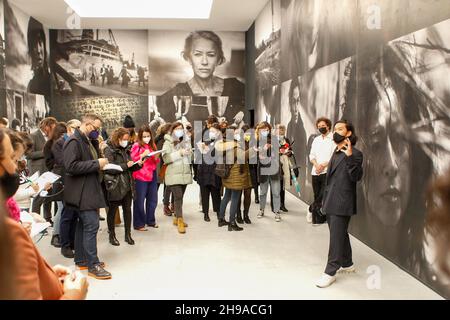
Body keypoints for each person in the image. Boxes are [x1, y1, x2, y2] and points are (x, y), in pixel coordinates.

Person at [0, 129, 89, 300]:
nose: (15, 166)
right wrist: (76, 293)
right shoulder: (8, 233)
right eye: (12, 159)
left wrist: (44, 276)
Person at [63, 114, 112, 280]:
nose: (97, 131)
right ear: (87, 124)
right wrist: (96, 163)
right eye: (95, 128)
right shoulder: (74, 141)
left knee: (83, 226)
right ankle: (93, 265)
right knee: (91, 225)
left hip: (88, 188)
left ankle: (82, 259)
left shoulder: (86, 140)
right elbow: (70, 166)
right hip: (82, 192)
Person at [157, 31, 245, 122]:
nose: (204, 62)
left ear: (218, 60)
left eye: (211, 55)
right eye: (197, 54)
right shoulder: (177, 91)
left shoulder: (235, 87)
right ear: (189, 59)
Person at [316, 120, 363, 288]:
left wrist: (349, 156)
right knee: (340, 233)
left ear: (348, 133)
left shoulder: (355, 154)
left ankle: (330, 272)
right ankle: (348, 263)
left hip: (342, 203)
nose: (336, 131)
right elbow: (331, 181)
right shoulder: (335, 152)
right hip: (330, 201)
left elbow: (356, 177)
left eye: (340, 129)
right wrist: (323, 200)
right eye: (334, 129)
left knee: (336, 237)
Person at [104, 127, 142, 245]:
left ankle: (128, 235)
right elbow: (110, 168)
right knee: (112, 211)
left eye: (127, 139)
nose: (126, 141)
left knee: (127, 210)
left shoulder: (127, 149)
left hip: (128, 184)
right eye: (124, 139)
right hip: (115, 185)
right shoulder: (109, 149)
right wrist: (126, 165)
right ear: (118, 138)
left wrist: (138, 164)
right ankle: (112, 235)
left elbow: (130, 166)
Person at [216, 126, 253, 231]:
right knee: (235, 199)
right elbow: (242, 157)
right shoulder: (235, 145)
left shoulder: (225, 144)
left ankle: (221, 219)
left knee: (227, 196)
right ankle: (232, 222)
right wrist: (253, 149)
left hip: (228, 175)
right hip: (236, 176)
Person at [162, 122, 193, 234]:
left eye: (181, 128)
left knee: (179, 198)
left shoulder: (185, 141)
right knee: (178, 197)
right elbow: (166, 159)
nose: (180, 130)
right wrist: (179, 153)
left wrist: (189, 152)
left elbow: (190, 158)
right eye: (177, 129)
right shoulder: (168, 142)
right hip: (173, 174)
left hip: (184, 174)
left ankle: (176, 217)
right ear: (172, 130)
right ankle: (180, 220)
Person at [58, 119, 81, 259]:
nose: (78, 129)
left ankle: (72, 242)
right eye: (75, 127)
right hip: (66, 183)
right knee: (66, 216)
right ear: (68, 128)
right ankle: (64, 245)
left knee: (74, 216)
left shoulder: (77, 142)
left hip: (76, 183)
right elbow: (64, 163)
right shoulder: (60, 143)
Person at [130, 125, 160, 231]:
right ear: (140, 136)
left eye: (148, 136)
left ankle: (150, 221)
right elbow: (133, 160)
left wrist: (156, 157)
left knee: (153, 200)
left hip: (152, 175)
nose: (146, 138)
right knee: (139, 200)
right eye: (144, 136)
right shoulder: (136, 146)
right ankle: (138, 224)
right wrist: (142, 155)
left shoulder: (152, 145)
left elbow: (155, 161)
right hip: (140, 176)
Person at [28, 117, 57, 224]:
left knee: (48, 195)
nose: (54, 130)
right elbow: (29, 154)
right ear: (46, 127)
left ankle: (47, 218)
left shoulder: (51, 137)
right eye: (52, 128)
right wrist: (46, 152)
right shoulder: (34, 136)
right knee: (38, 197)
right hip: (38, 171)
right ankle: (36, 221)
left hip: (49, 170)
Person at [43, 122, 67, 248]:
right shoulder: (50, 144)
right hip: (56, 176)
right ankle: (55, 235)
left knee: (62, 208)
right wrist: (57, 167)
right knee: (61, 207)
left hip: (65, 176)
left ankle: (61, 233)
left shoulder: (64, 143)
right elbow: (49, 162)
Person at [308, 117, 335, 225]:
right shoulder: (316, 139)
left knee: (323, 195)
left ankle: (311, 209)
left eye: (323, 126)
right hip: (315, 171)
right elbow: (312, 155)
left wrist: (323, 165)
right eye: (319, 127)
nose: (321, 128)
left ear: (328, 126)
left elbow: (334, 156)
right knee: (316, 195)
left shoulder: (333, 139)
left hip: (327, 172)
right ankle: (317, 218)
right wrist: (316, 165)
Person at [256, 122, 282, 222]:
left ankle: (277, 212)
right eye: (262, 130)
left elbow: (277, 154)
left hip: (274, 170)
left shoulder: (274, 140)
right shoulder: (257, 141)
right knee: (262, 192)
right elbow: (255, 155)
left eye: (266, 129)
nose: (264, 131)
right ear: (259, 130)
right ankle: (261, 210)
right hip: (263, 170)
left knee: (276, 192)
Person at [196, 123, 222, 222]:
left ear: (219, 132)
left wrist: (211, 152)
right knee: (204, 193)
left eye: (214, 131)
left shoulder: (221, 143)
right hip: (204, 170)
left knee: (216, 193)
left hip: (215, 171)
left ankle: (219, 212)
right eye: (210, 131)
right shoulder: (205, 142)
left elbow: (221, 156)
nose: (211, 133)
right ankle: (205, 213)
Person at [27, 17, 51, 103]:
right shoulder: (31, 86)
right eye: (34, 44)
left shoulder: (52, 81)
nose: (38, 50)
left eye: (40, 42)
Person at [155, 123, 174, 216]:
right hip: (163, 166)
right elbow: (159, 155)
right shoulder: (161, 140)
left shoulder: (172, 140)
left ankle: (168, 204)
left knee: (169, 186)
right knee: (159, 185)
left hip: (169, 165)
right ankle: (158, 204)